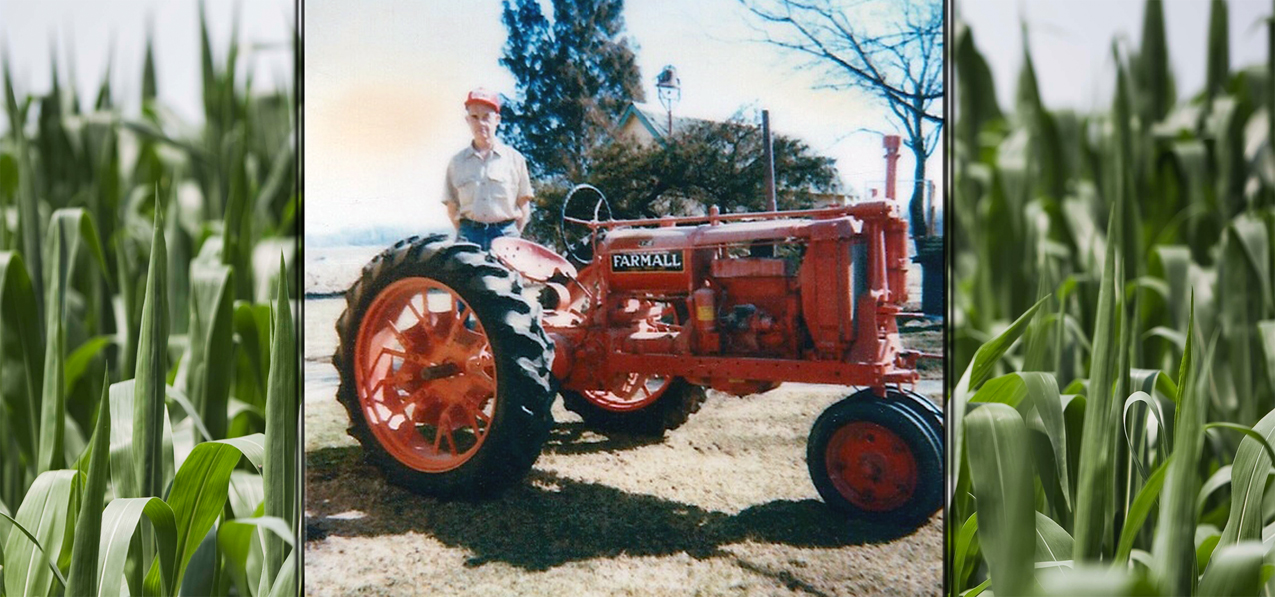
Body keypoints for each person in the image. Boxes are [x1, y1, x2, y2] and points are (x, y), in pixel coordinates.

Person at [443, 88, 534, 250]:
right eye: (475, 117)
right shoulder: (456, 162)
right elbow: (451, 207)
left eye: (486, 117)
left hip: (505, 234)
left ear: (497, 120)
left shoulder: (515, 160)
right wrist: (467, 231)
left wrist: (513, 236)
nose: (481, 124)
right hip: (469, 235)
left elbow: (524, 206)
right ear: (467, 120)